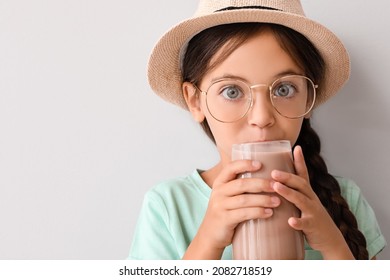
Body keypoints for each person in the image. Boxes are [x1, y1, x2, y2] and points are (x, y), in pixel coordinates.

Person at [128, 0, 386, 260]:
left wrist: (332, 243)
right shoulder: (169, 206)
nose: (262, 118)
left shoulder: (343, 200)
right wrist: (208, 240)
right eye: (232, 91)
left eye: (284, 89)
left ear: (309, 98)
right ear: (195, 101)